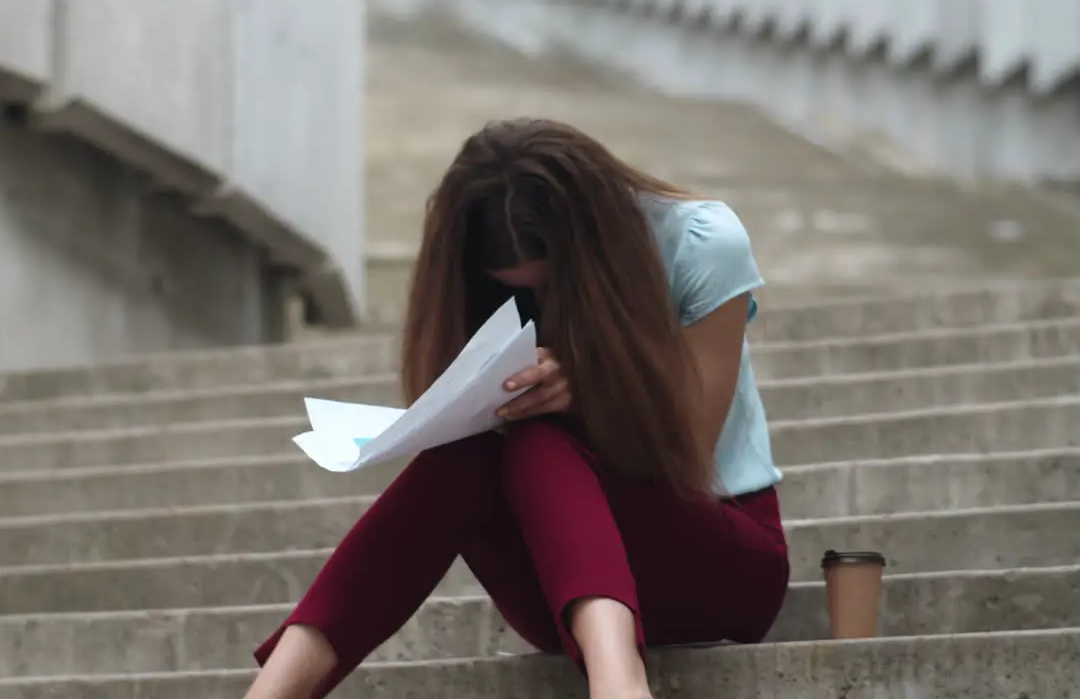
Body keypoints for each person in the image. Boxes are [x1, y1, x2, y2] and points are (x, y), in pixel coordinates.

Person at [244, 118, 788, 699]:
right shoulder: (479, 278)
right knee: (472, 447)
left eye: (553, 282)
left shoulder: (700, 241)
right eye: (522, 290)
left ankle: (620, 686)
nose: (543, 300)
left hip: (717, 559)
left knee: (537, 437)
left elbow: (693, 449)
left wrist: (592, 385)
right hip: (565, 592)